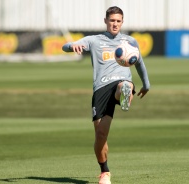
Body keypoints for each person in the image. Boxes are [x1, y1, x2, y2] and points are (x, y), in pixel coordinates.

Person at [62, 6, 150, 184]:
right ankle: (105, 171)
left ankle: (124, 93)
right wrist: (73, 45)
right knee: (101, 134)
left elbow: (139, 62)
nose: (115, 24)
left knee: (123, 85)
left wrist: (146, 84)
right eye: (112, 20)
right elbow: (65, 47)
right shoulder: (94, 40)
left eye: (118, 21)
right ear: (105, 21)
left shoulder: (130, 42)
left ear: (122, 22)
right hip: (101, 88)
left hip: (121, 81)